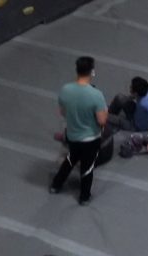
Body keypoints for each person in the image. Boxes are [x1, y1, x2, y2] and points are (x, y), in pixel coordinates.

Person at [49, 56, 107, 205]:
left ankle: (56, 185)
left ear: (77, 70)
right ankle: (84, 196)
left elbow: (63, 112)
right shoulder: (96, 95)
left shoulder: (65, 89)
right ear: (92, 71)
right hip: (90, 139)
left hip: (72, 135)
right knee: (87, 168)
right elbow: (102, 121)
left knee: (70, 159)